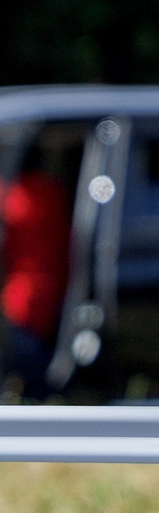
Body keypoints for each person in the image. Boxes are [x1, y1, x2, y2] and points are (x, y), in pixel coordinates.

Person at [1, 165, 70, 390]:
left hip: (24, 300)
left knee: (30, 377)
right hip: (55, 296)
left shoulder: (15, 195)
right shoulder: (54, 193)